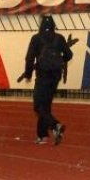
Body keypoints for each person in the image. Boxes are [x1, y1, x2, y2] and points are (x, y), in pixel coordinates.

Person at [20, 15, 74, 145]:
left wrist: (28, 74)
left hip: (43, 75)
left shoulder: (36, 38)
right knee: (46, 106)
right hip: (55, 76)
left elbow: (29, 58)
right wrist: (60, 60)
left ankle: (55, 125)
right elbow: (69, 55)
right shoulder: (59, 38)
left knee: (38, 106)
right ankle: (42, 136)